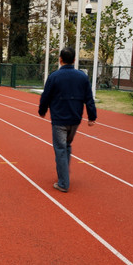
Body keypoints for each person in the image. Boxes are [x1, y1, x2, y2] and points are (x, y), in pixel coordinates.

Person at [38, 47, 97, 193]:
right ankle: (64, 173)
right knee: (66, 146)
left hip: (59, 119)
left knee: (60, 149)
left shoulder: (54, 77)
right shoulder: (82, 77)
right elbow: (89, 98)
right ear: (74, 60)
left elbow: (46, 96)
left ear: (60, 59)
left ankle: (63, 182)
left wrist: (42, 110)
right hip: (75, 119)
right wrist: (92, 117)